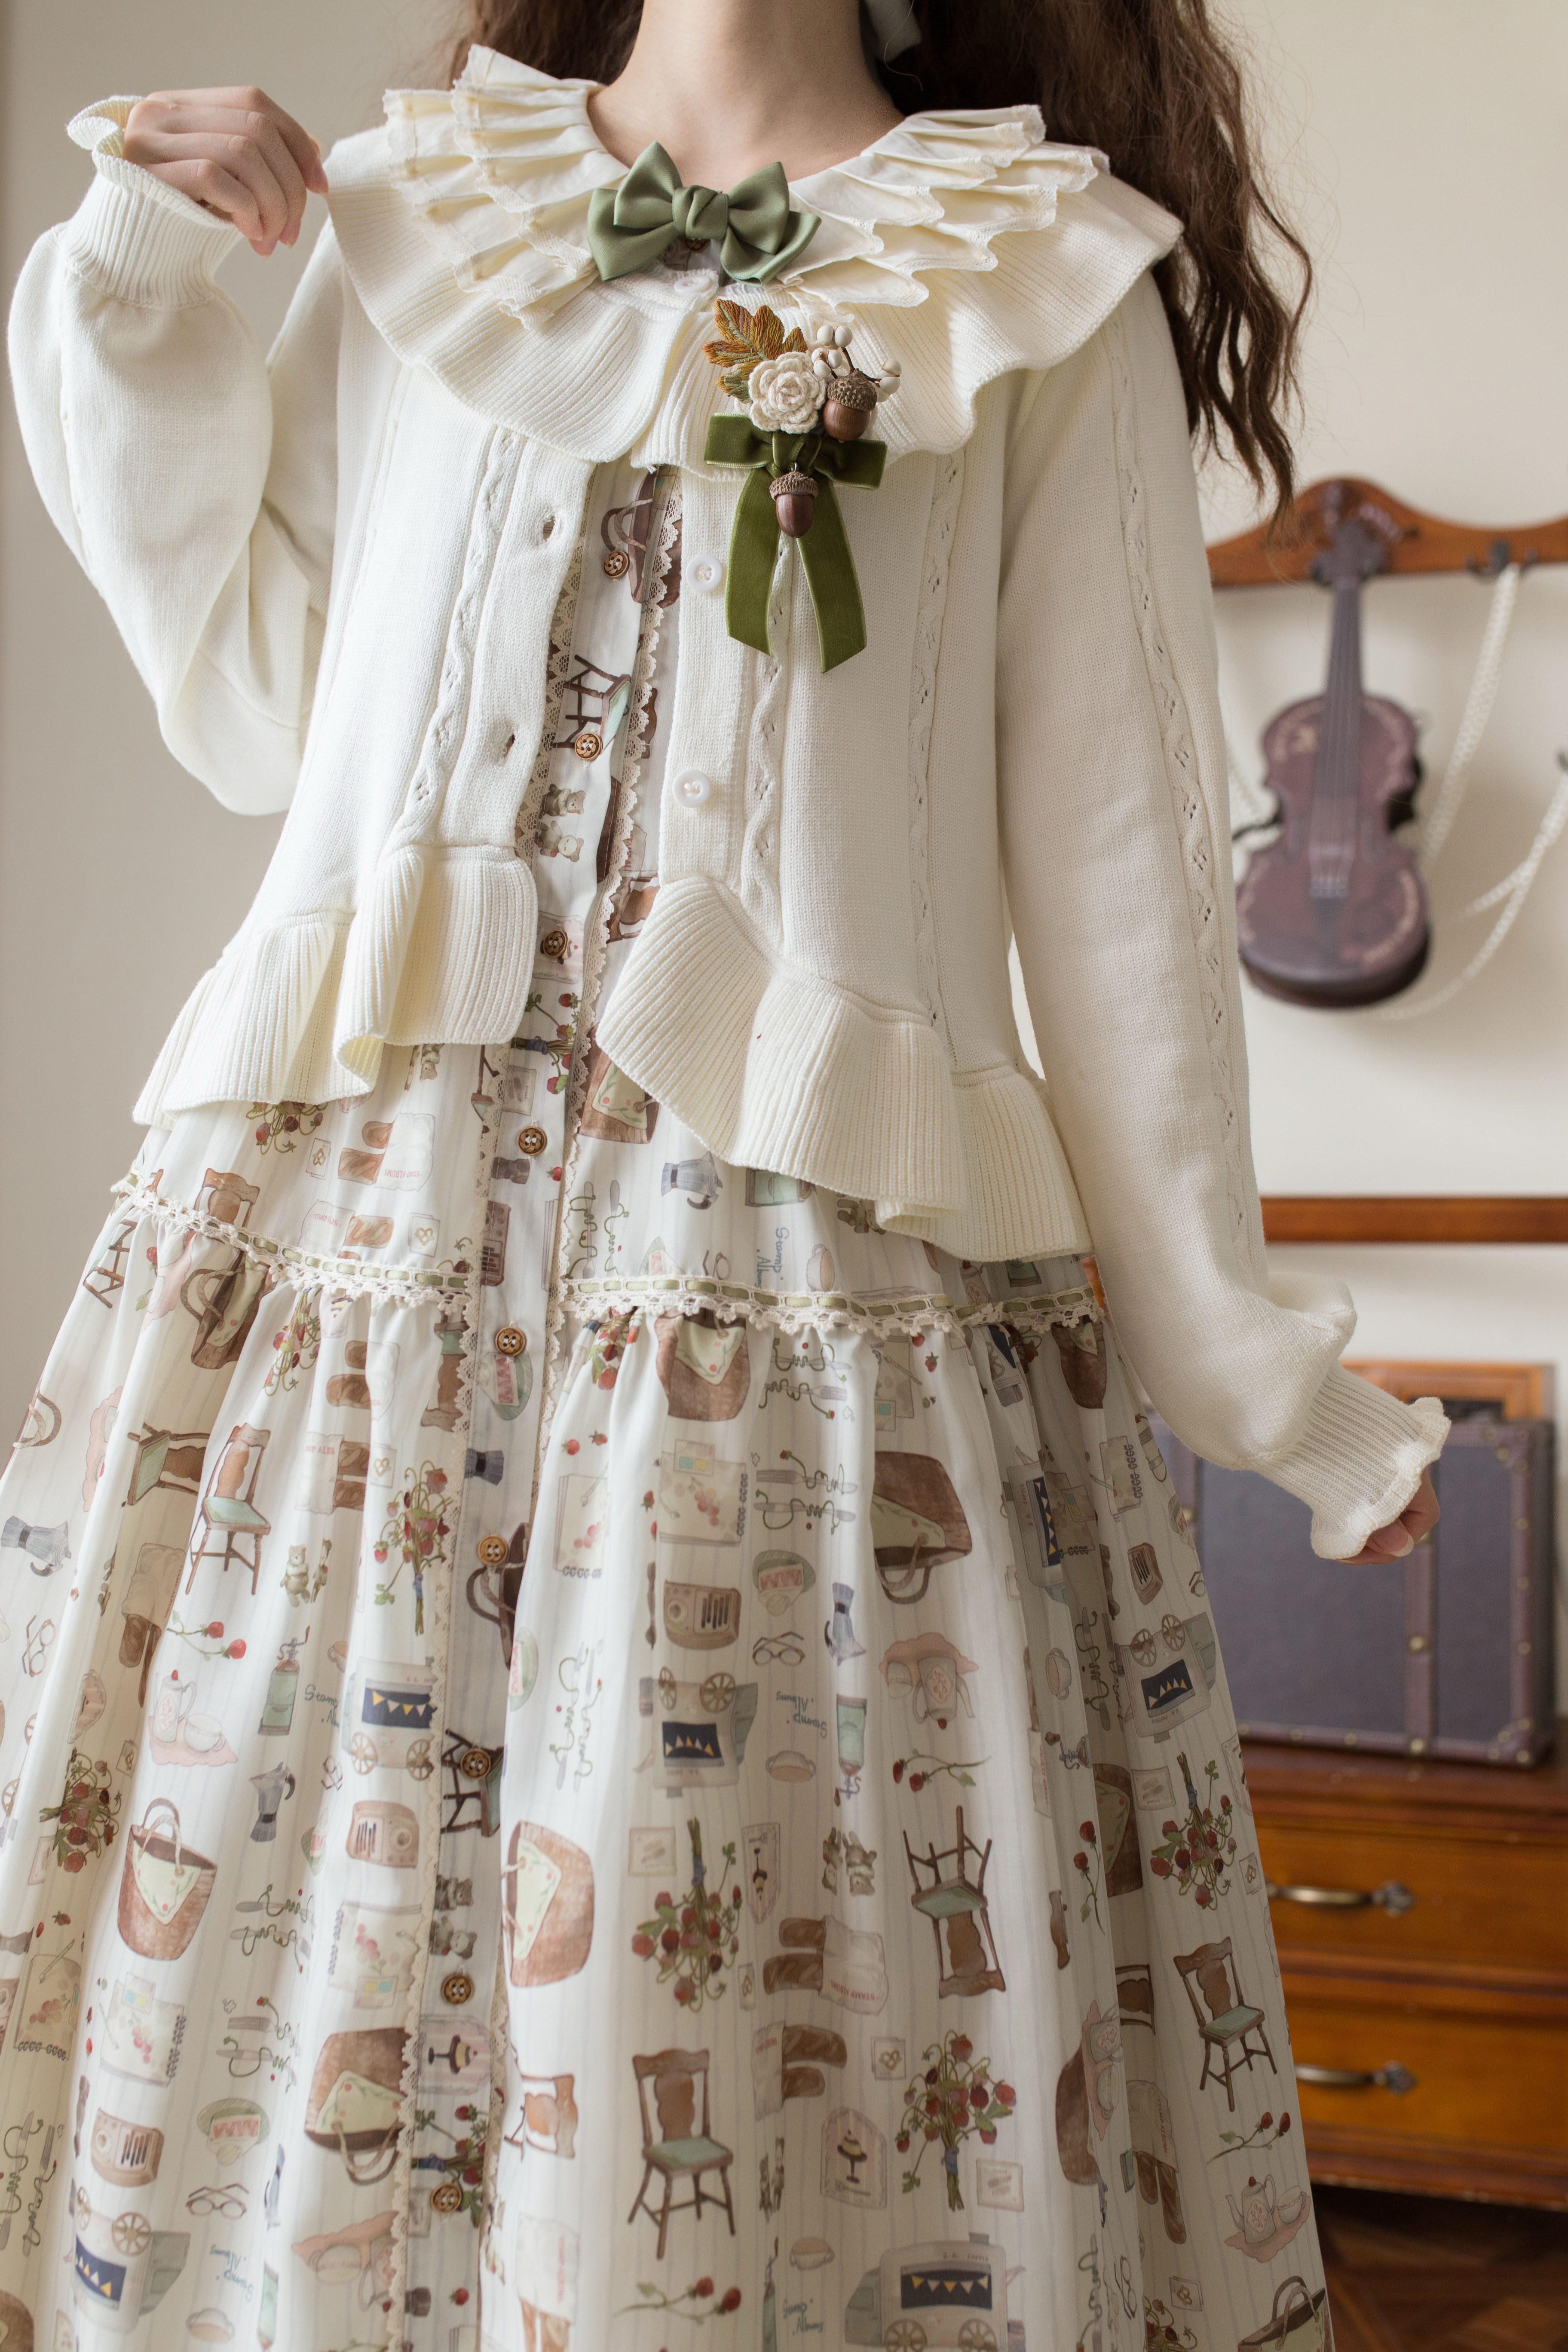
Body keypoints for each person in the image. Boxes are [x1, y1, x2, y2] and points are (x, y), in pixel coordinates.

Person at [4, 0, 1442, 2343]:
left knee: (762, 2045)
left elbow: (1128, 878)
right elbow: (264, 695)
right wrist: (147, 280)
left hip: (787, 1327)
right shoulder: (414, 207)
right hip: (362, 1274)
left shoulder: (1041, 274)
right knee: (294, 2002)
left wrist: (1256, 1377)